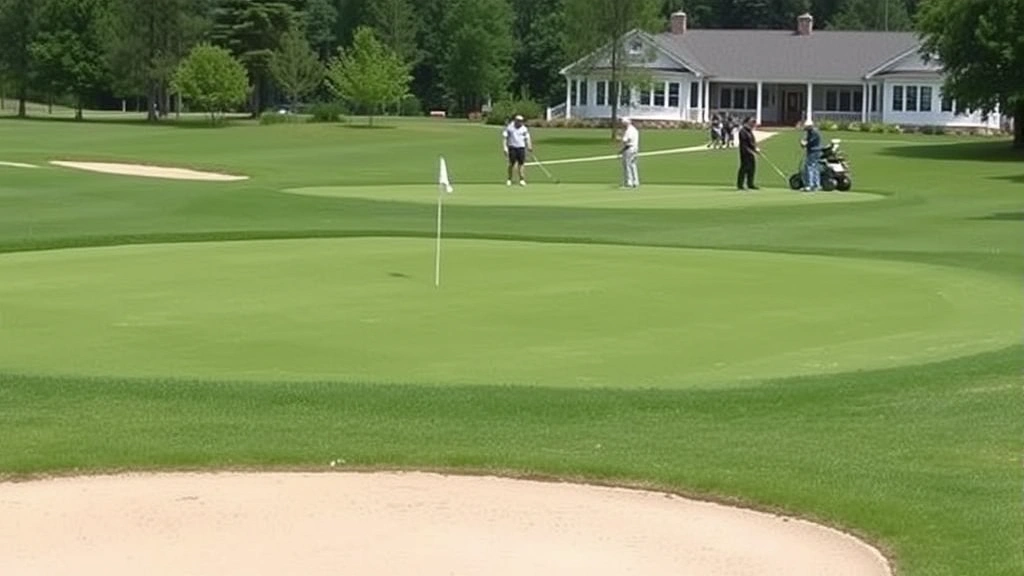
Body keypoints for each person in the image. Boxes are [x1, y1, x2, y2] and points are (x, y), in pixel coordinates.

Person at [502, 114, 532, 186]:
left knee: (521, 164)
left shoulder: (524, 128)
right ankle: (509, 179)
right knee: (511, 164)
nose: (520, 122)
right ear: (515, 120)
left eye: (521, 121)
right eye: (519, 121)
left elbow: (527, 137)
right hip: (512, 147)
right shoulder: (510, 127)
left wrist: (529, 145)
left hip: (521, 147)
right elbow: (505, 138)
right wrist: (505, 147)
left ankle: (522, 179)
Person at [736, 117, 760, 190]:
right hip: (745, 153)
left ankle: (750, 184)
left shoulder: (749, 131)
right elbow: (744, 144)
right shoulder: (743, 131)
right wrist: (752, 150)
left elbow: (752, 142)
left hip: (751, 152)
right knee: (744, 168)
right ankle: (740, 185)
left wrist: (755, 149)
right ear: (746, 122)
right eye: (751, 122)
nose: (753, 124)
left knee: (752, 168)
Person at [800, 119, 822, 191]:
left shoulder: (814, 133)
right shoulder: (811, 132)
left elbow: (810, 142)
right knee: (815, 167)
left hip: (813, 151)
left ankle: (810, 185)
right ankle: (816, 185)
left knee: (809, 167)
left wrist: (804, 144)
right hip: (815, 151)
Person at [619, 117, 640, 188]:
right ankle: (635, 181)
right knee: (633, 165)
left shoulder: (629, 130)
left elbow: (627, 140)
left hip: (630, 149)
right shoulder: (634, 129)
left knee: (627, 165)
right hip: (634, 148)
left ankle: (629, 182)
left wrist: (620, 139)